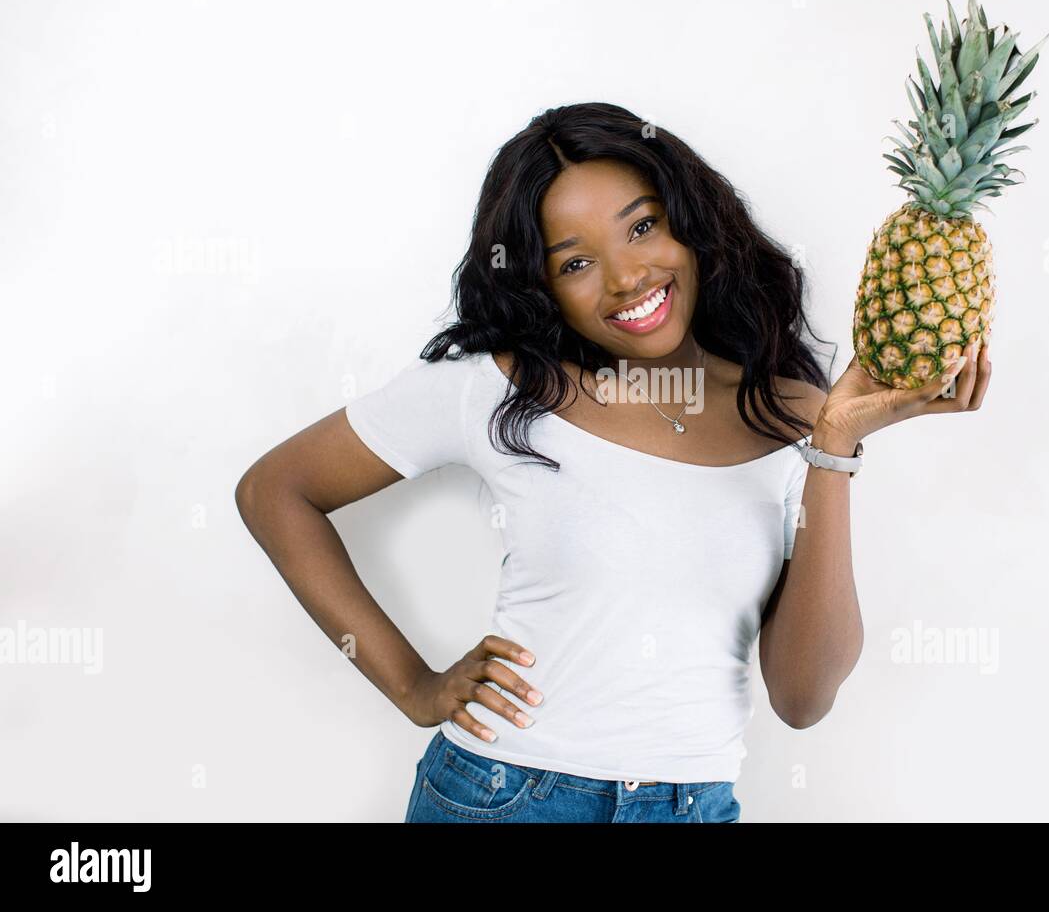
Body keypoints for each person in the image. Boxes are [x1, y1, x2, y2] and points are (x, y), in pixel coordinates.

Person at [234, 102, 991, 823]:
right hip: (506, 796)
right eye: (575, 263)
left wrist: (834, 449)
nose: (627, 277)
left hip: (692, 805)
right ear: (541, 287)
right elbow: (276, 490)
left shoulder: (791, 411)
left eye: (643, 226)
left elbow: (804, 697)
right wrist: (411, 685)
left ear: (689, 222)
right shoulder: (497, 389)